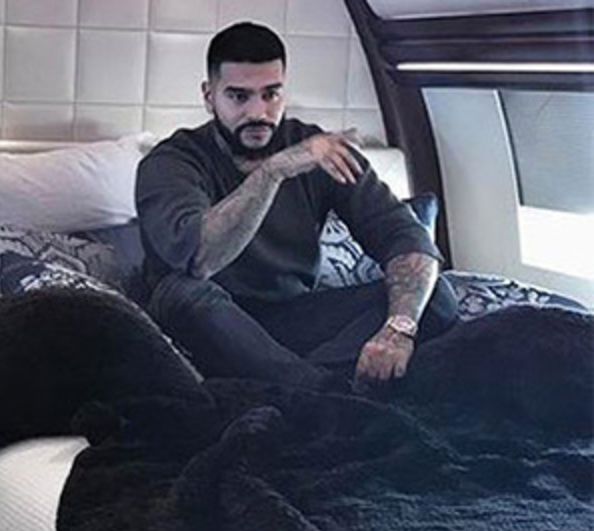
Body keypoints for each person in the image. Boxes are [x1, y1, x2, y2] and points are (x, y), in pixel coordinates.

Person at [136, 22, 458, 391]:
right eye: (239, 97)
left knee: (433, 295)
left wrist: (398, 329)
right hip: (209, 320)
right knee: (183, 295)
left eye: (271, 94)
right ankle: (327, 393)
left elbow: (405, 237)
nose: (258, 112)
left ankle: (299, 382)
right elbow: (200, 260)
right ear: (210, 96)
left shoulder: (318, 149)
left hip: (292, 317)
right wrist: (273, 171)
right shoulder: (172, 161)